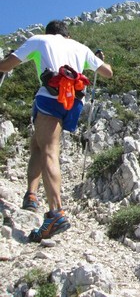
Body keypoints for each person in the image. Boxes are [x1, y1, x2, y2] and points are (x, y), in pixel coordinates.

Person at [0, 20, 113, 242]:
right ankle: (31, 195)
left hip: (50, 98)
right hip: (73, 103)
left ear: (49, 32)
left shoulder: (39, 40)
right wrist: (101, 59)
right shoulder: (81, 47)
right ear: (67, 35)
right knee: (38, 144)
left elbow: (6, 66)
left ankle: (56, 213)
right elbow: (108, 73)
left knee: (49, 150)